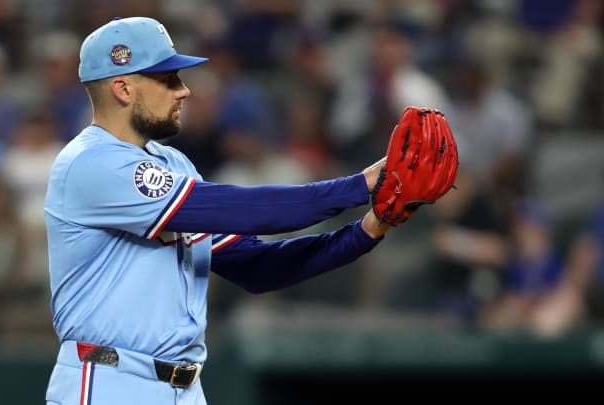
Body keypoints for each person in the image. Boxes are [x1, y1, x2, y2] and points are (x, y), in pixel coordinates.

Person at [44, 16, 396, 405]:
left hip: (184, 388)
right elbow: (245, 210)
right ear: (124, 88)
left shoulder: (173, 164)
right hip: (110, 382)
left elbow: (258, 267)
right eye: (168, 79)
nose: (184, 91)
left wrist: (366, 230)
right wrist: (361, 185)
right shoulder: (90, 163)